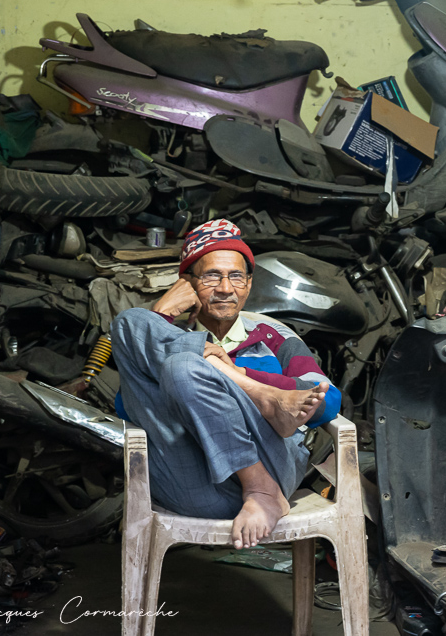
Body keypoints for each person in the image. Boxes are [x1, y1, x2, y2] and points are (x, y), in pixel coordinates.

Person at [111, 219, 341, 550]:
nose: (224, 288)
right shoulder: (158, 338)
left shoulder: (273, 337)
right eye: (211, 276)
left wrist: (240, 373)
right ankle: (265, 400)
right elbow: (131, 407)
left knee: (181, 363)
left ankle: (261, 488)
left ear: (249, 283)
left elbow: (328, 400)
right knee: (132, 323)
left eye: (236, 276)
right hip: (191, 481)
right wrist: (160, 314)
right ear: (187, 283)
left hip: (273, 468)